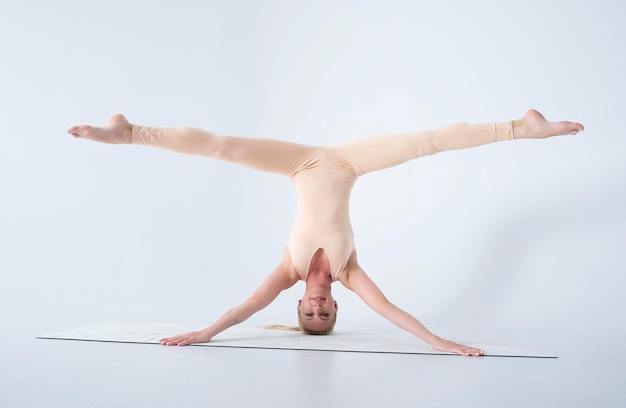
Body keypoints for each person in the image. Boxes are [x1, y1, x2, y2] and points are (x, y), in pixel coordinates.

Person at [67, 109, 583, 356]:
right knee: (427, 142)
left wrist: (207, 333)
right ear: (336, 307)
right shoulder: (348, 272)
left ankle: (128, 133)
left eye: (309, 313)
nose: (317, 307)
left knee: (222, 146)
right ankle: (521, 128)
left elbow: (245, 308)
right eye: (325, 313)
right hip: (345, 164)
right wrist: (439, 342)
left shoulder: (289, 272)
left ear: (298, 307)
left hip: (297, 164)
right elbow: (390, 312)